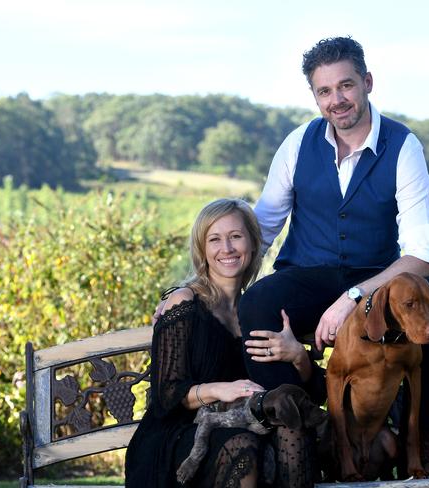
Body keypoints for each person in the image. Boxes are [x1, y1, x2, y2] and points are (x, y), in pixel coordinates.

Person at [237, 36, 429, 479]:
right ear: (315, 96)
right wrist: (197, 285)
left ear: (367, 83)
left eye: (346, 86)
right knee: (257, 303)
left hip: (373, 279)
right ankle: (282, 442)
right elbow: (260, 230)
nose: (336, 100)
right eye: (324, 91)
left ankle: (425, 442)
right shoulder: (297, 144)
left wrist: (355, 296)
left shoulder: (403, 146)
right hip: (306, 274)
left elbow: (425, 255)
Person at [125, 198, 319, 488]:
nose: (226, 249)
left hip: (239, 426)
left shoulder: (259, 311)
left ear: (253, 244)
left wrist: (298, 357)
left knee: (293, 430)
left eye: (236, 237)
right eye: (214, 239)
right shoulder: (184, 302)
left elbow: (313, 395)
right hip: (177, 437)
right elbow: (166, 396)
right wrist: (221, 390)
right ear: (202, 250)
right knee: (241, 446)